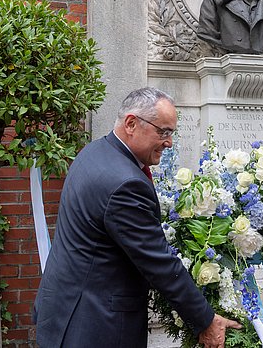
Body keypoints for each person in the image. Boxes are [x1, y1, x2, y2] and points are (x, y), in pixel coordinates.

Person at [33, 87, 240, 348]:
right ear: (131, 123)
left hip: (66, 312)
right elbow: (158, 262)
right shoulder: (125, 183)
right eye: (163, 131)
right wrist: (206, 320)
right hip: (94, 326)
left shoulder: (95, 152)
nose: (169, 142)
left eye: (172, 133)